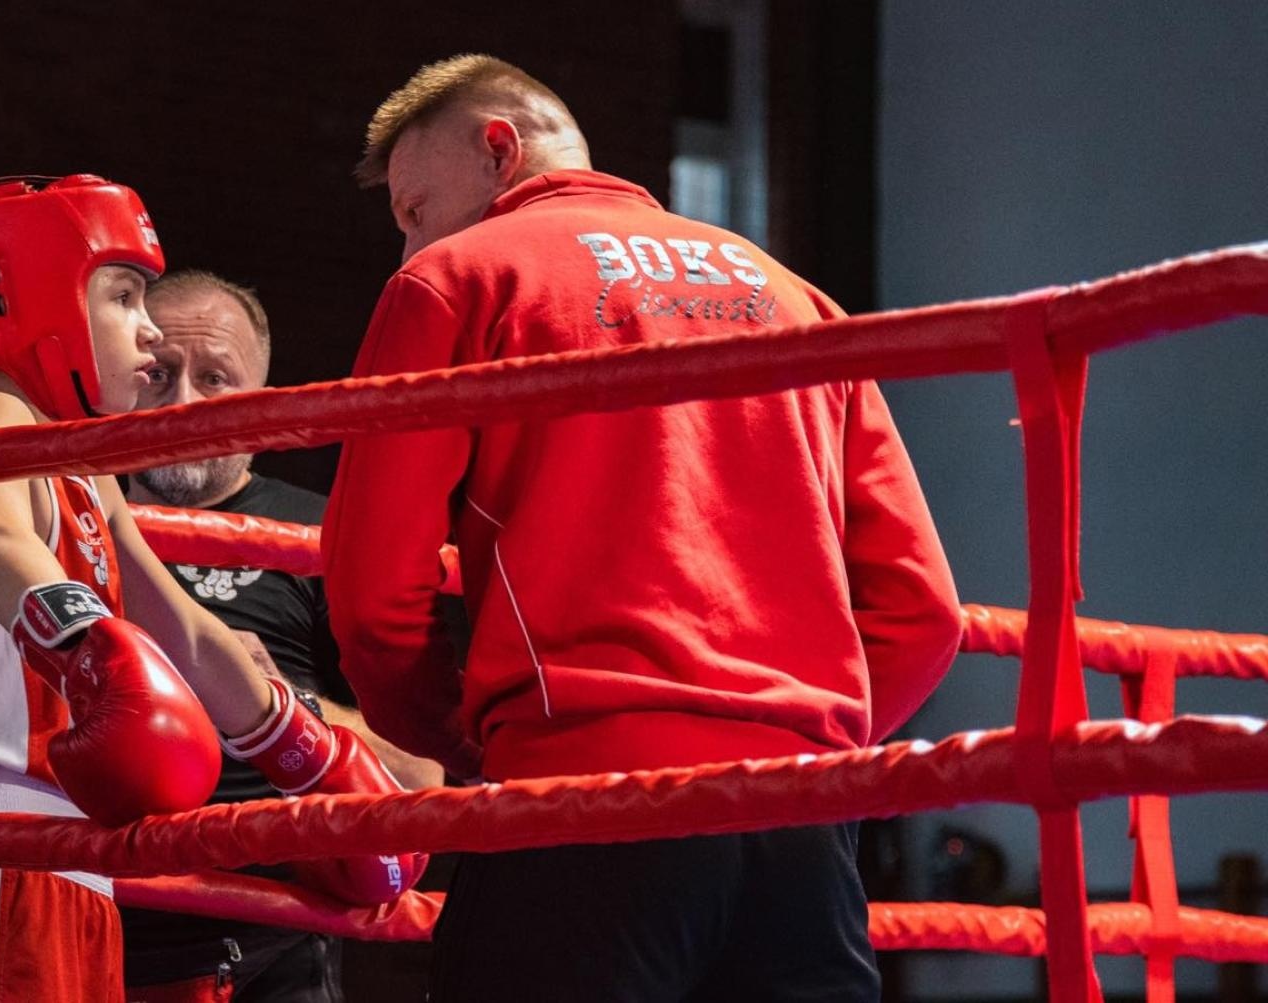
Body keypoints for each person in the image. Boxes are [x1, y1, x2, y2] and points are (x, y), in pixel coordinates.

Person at [322, 56, 964, 1002]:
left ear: (499, 148)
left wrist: (465, 738)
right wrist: (809, 738)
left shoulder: (459, 277)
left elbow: (372, 588)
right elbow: (925, 610)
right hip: (801, 823)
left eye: (414, 210)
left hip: (585, 796)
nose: (407, 248)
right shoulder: (794, 296)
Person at [0, 175, 425, 1003]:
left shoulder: (87, 471)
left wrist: (308, 755)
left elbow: (190, 631)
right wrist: (95, 650)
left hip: (76, 862)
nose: (146, 327)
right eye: (124, 296)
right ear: (28, 296)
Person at [118, 269, 442, 1002]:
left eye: (215, 379)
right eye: (160, 374)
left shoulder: (319, 537)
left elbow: (423, 777)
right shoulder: (71, 518)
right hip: (89, 915)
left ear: (262, 402)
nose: (182, 403)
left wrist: (279, 701)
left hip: (266, 943)